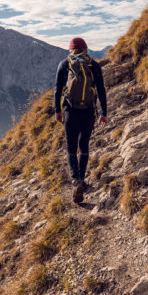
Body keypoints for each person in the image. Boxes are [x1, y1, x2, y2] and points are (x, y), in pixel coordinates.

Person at [54, 37, 107, 203]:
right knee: (84, 145)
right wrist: (103, 113)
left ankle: (75, 180)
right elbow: (101, 90)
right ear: (85, 49)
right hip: (88, 110)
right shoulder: (94, 65)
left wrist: (58, 110)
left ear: (71, 50)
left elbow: (58, 89)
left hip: (70, 110)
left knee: (71, 147)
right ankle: (82, 180)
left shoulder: (65, 64)